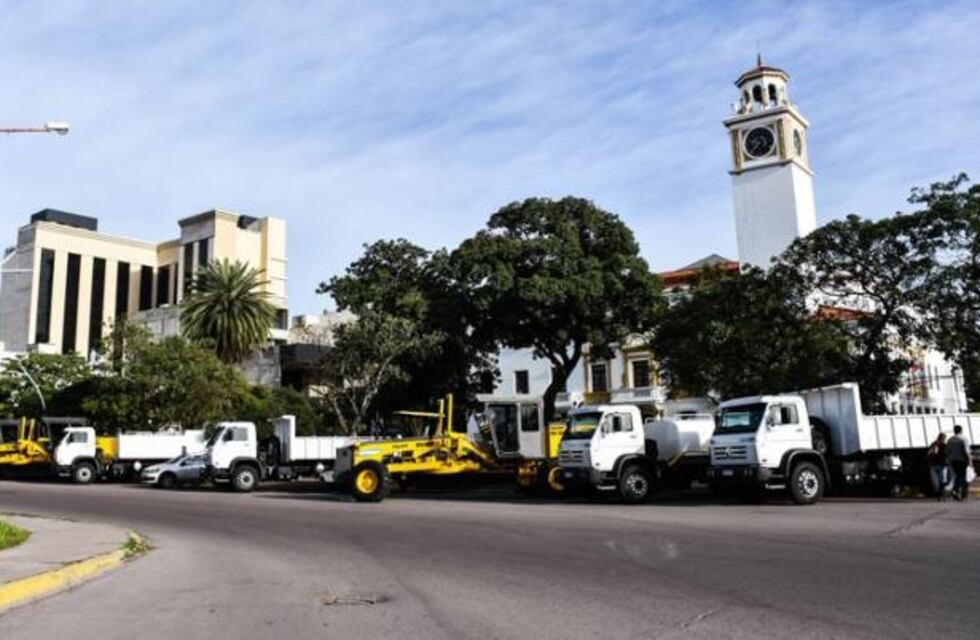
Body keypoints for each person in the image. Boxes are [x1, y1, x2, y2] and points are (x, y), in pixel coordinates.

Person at [946, 425, 971, 501]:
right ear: (961, 430)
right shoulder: (963, 439)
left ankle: (960, 492)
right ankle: (958, 491)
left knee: (958, 476)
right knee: (962, 476)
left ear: (954, 431)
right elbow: (966, 451)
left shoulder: (950, 440)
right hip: (962, 460)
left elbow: (947, 451)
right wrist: (970, 461)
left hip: (953, 461)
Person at [927, 432, 948, 501]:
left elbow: (929, 453)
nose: (945, 439)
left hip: (933, 464)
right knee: (942, 480)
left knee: (937, 481)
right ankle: (942, 496)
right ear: (942, 438)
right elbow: (946, 454)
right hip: (942, 464)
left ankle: (939, 496)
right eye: (944, 438)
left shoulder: (933, 444)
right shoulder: (943, 445)